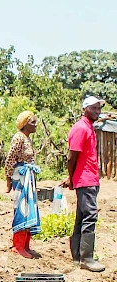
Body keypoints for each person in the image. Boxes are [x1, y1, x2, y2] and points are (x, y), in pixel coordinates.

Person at [63, 96, 106, 272]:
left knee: (82, 216)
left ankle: (77, 255)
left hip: (88, 179)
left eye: (99, 108)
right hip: (85, 180)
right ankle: (86, 258)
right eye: (94, 108)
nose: (98, 111)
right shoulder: (81, 128)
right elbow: (71, 157)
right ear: (85, 109)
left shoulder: (88, 127)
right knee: (90, 216)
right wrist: (71, 178)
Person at [4, 111, 42, 259]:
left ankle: (26, 245)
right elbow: (10, 159)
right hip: (20, 177)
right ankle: (18, 246)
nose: (36, 125)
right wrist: (8, 180)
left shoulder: (27, 138)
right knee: (22, 209)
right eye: (33, 122)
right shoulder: (18, 138)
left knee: (29, 209)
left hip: (28, 177)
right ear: (25, 124)